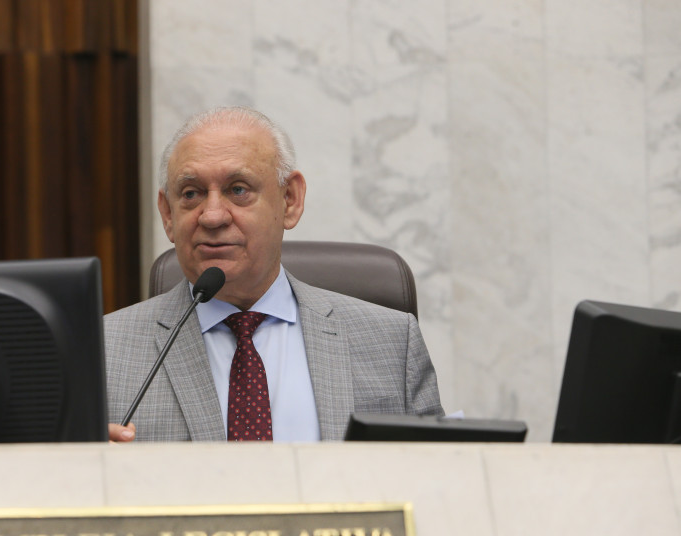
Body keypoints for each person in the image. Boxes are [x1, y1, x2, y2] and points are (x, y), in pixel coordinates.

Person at [106, 106, 443, 442]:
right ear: (167, 214)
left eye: (238, 189)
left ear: (290, 200)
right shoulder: (104, 353)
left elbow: (438, 477)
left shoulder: (392, 343)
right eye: (191, 194)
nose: (211, 216)